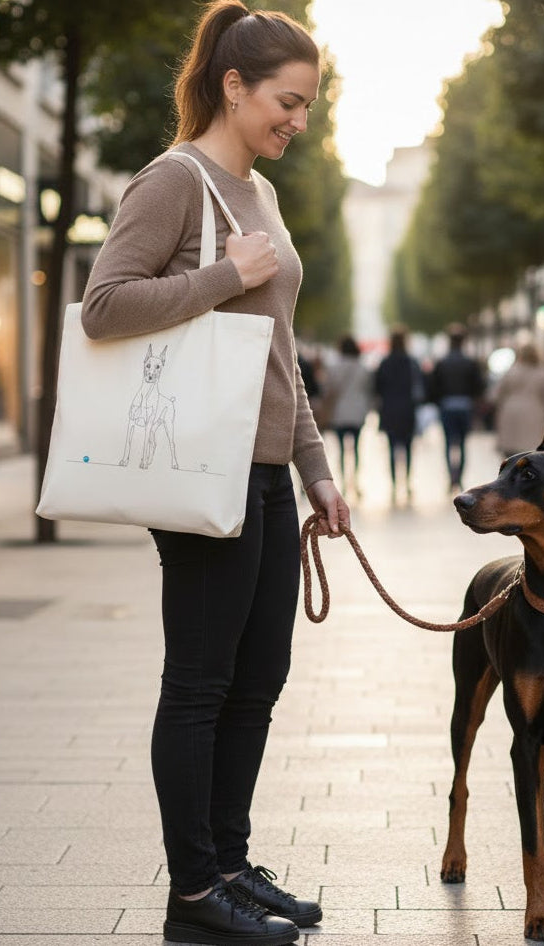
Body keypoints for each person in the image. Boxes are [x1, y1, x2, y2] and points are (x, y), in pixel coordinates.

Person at [80, 4, 349, 944]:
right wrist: (220, 278)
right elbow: (104, 307)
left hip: (267, 472)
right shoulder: (174, 181)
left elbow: (280, 355)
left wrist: (316, 470)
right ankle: (195, 892)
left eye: (309, 107)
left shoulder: (262, 196)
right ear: (233, 87)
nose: (298, 122)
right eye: (288, 101)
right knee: (200, 682)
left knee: (259, 677)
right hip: (202, 469)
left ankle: (230, 865)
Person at [429, 323, 485, 492]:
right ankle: (459, 477)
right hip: (465, 406)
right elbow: (479, 386)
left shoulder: (442, 362)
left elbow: (433, 386)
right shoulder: (470, 363)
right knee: (462, 444)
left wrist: (438, 402)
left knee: (448, 444)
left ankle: (451, 478)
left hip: (447, 406)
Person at [375, 325, 424, 503]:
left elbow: (378, 387)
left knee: (392, 448)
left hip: (389, 411)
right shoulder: (411, 362)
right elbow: (420, 386)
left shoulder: (385, 362)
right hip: (407, 410)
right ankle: (408, 482)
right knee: (408, 448)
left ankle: (395, 484)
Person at [322, 334, 372, 498]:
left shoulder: (334, 367)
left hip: (339, 414)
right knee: (356, 449)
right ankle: (355, 481)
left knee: (342, 450)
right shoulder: (363, 368)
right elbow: (368, 391)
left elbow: (328, 391)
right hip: (358, 413)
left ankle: (343, 483)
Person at [493, 342, 544, 457]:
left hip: (510, 412)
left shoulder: (511, 371)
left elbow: (497, 394)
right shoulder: (542, 373)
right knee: (530, 449)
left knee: (510, 451)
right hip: (534, 412)